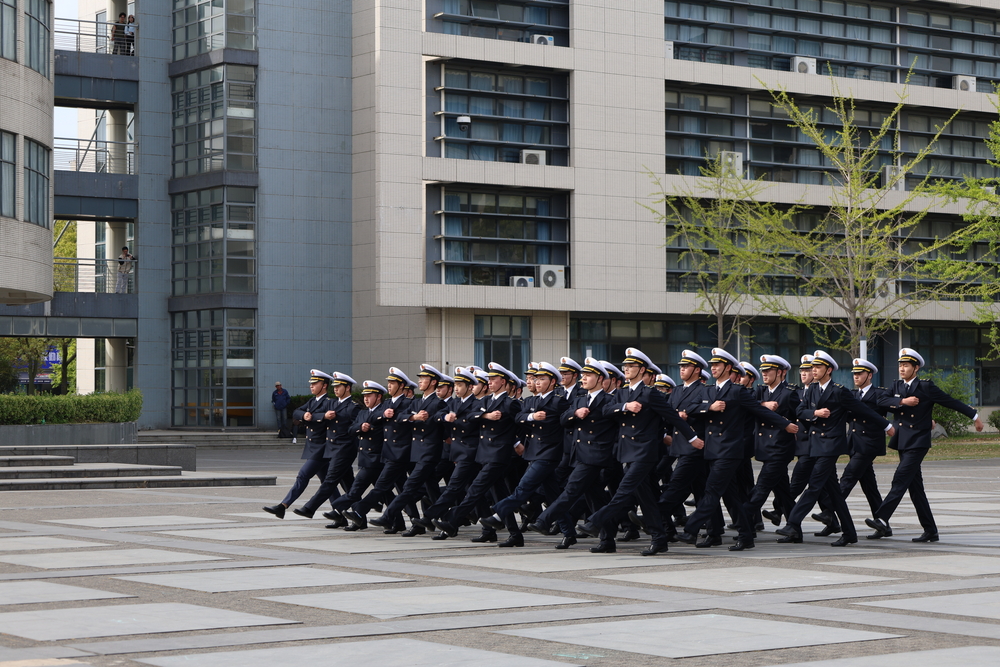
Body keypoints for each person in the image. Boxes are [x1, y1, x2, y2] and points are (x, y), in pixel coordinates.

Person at [578, 348, 701, 556]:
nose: (626, 369)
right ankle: (660, 538)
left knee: (624, 491)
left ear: (642, 370)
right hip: (627, 452)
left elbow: (673, 417)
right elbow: (606, 410)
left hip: (645, 453)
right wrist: (626, 406)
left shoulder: (650, 393)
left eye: (631, 366)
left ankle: (596, 521)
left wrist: (692, 438)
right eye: (625, 366)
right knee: (646, 499)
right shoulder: (621, 393)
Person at [676, 348, 794, 552]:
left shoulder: (737, 391)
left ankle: (690, 529)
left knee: (711, 490)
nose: (713, 368)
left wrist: (785, 424)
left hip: (730, 451)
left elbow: (760, 410)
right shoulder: (708, 390)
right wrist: (709, 408)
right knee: (731, 497)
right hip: (712, 450)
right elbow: (691, 408)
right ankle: (746, 536)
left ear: (728, 368)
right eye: (711, 365)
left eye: (717, 365)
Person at [867, 348, 984, 543]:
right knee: (915, 489)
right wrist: (903, 401)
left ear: (916, 367)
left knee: (900, 478)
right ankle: (930, 530)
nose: (902, 369)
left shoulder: (925, 387)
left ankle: (881, 517)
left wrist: (975, 416)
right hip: (903, 440)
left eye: (906, 365)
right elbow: (882, 400)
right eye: (900, 365)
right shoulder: (897, 386)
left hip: (918, 441)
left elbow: (950, 402)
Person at [776, 351, 892, 547]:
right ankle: (849, 533)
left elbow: (863, 409)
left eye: (818, 367)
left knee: (814, 486)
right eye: (813, 367)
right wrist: (816, 413)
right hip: (815, 445)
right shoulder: (812, 389)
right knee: (835, 493)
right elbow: (800, 411)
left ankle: (793, 522)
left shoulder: (839, 391)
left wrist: (886, 426)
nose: (814, 370)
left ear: (828, 370)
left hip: (830, 446)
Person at [262, 370, 334, 519]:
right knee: (328, 484)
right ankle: (341, 512)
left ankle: (283, 506)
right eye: (311, 384)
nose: (312, 386)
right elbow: (296, 412)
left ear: (324, 386)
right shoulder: (312, 401)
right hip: (312, 448)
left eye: (315, 384)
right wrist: (303, 415)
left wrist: (313, 416)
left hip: (321, 449)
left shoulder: (329, 402)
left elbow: (330, 416)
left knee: (302, 476)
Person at [292, 372, 360, 519]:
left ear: (347, 388)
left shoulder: (353, 407)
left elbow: (357, 428)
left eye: (339, 386)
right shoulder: (333, 404)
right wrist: (311, 416)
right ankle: (360, 515)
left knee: (329, 481)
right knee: (350, 485)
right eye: (334, 386)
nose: (335, 389)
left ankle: (310, 508)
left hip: (344, 450)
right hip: (332, 449)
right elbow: (315, 413)